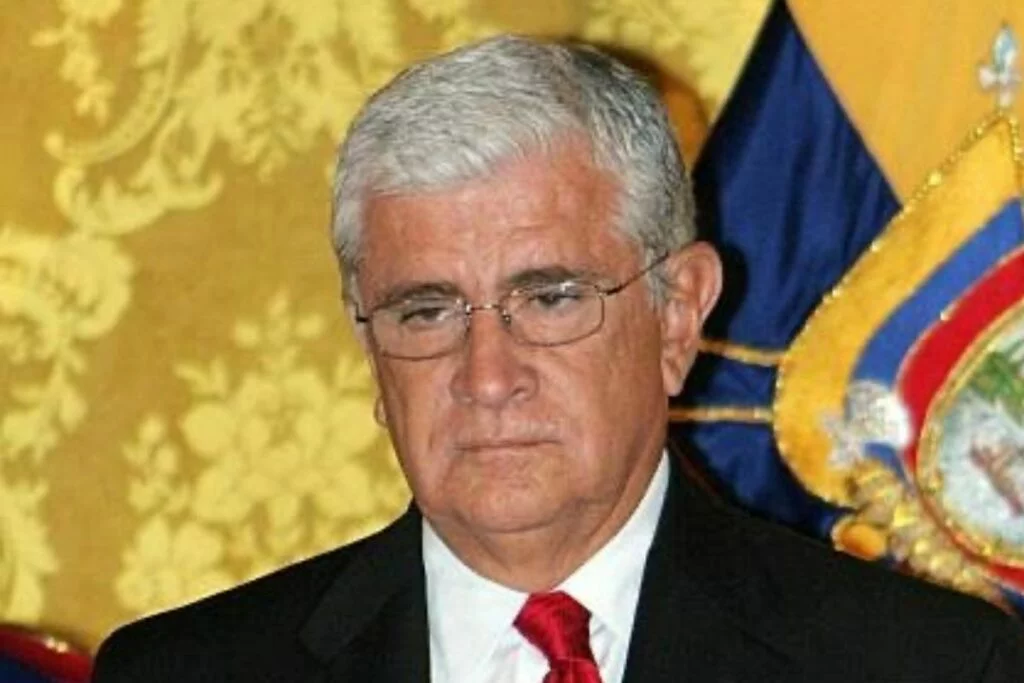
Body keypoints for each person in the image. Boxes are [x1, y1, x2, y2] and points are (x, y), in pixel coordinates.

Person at [91, 35, 1024, 683]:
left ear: (677, 318)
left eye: (551, 298)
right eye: (426, 311)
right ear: (370, 346)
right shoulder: (185, 673)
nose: (487, 376)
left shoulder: (926, 667)